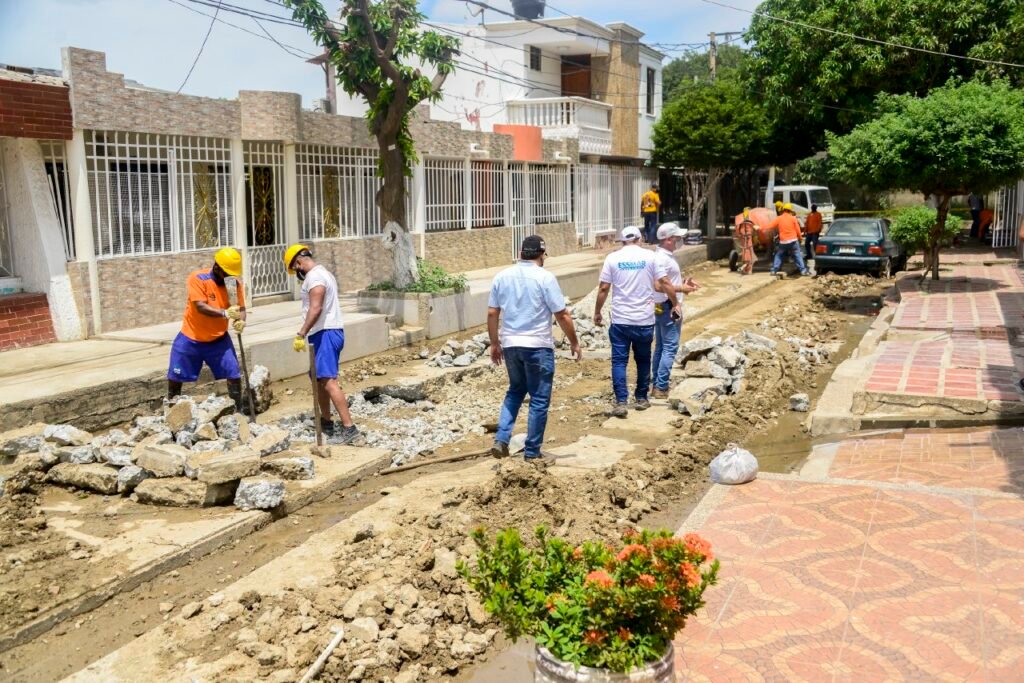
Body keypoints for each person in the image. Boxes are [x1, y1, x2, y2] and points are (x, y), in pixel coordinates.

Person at [487, 236, 581, 463]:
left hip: (511, 345)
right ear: (542, 255)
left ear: (520, 253)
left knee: (515, 390)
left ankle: (501, 439)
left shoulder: (502, 276)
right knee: (539, 398)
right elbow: (562, 314)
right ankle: (532, 452)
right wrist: (574, 342)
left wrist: (495, 343)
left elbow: (492, 313)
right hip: (537, 346)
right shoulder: (545, 277)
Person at [593, 225, 681, 417]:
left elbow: (603, 288)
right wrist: (675, 304)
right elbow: (665, 283)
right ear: (640, 239)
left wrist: (597, 311)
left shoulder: (612, 258)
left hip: (620, 320)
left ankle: (621, 401)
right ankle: (641, 398)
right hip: (644, 320)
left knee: (619, 361)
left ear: (622, 241)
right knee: (643, 360)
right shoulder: (650, 257)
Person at [285, 244, 360, 444]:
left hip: (326, 333)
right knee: (318, 379)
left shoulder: (315, 277)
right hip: (323, 333)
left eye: (295, 268)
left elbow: (316, 308)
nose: (297, 272)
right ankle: (326, 422)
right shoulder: (324, 274)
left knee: (328, 381)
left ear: (298, 262)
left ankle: (350, 429)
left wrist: (301, 332)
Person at [167, 247, 248, 409]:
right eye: (227, 273)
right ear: (217, 267)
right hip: (191, 337)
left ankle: (238, 409)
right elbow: (200, 306)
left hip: (219, 340)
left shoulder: (233, 284)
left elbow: (241, 308)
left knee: (233, 373)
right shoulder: (198, 278)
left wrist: (241, 320)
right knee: (175, 376)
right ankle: (171, 407)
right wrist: (225, 313)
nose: (230, 277)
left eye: (232, 274)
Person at [651, 223, 700, 399]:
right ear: (669, 239)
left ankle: (656, 384)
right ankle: (661, 387)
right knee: (670, 347)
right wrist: (678, 297)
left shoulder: (663, 256)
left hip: (660, 306)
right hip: (667, 306)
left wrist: (683, 283)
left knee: (661, 347)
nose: (680, 240)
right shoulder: (661, 258)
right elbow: (658, 285)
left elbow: (667, 281)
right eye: (678, 238)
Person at [767, 203, 810, 276]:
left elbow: (770, 226)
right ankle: (803, 271)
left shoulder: (779, 218)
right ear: (790, 210)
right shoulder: (793, 218)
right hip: (793, 241)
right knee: (797, 255)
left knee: (779, 255)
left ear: (783, 210)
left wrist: (759, 227)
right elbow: (798, 230)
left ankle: (774, 270)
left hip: (783, 242)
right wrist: (800, 238)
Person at [736, 208, 756, 275]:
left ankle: (746, 268)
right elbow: (754, 228)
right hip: (748, 237)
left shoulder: (740, 219)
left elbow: (737, 229)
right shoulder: (752, 218)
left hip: (744, 237)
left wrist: (739, 235)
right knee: (749, 252)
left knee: (745, 252)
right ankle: (748, 269)